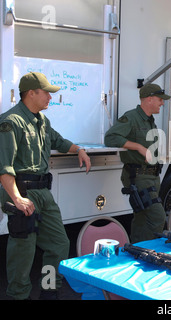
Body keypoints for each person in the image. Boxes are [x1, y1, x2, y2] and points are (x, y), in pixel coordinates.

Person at [0, 72, 91, 300]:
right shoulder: (11, 122)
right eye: (47, 93)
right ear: (31, 93)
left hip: (43, 193)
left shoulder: (42, 120)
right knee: (24, 251)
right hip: (22, 192)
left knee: (59, 244)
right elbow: (4, 167)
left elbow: (59, 141)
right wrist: (17, 199)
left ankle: (49, 290)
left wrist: (79, 149)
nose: (50, 97)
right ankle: (17, 295)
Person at [104, 83, 170, 243]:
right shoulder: (132, 117)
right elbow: (110, 138)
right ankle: (149, 252)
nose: (162, 103)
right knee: (157, 217)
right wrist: (139, 147)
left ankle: (136, 251)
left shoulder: (150, 121)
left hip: (152, 176)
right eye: (160, 99)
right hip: (138, 176)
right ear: (149, 99)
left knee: (142, 219)